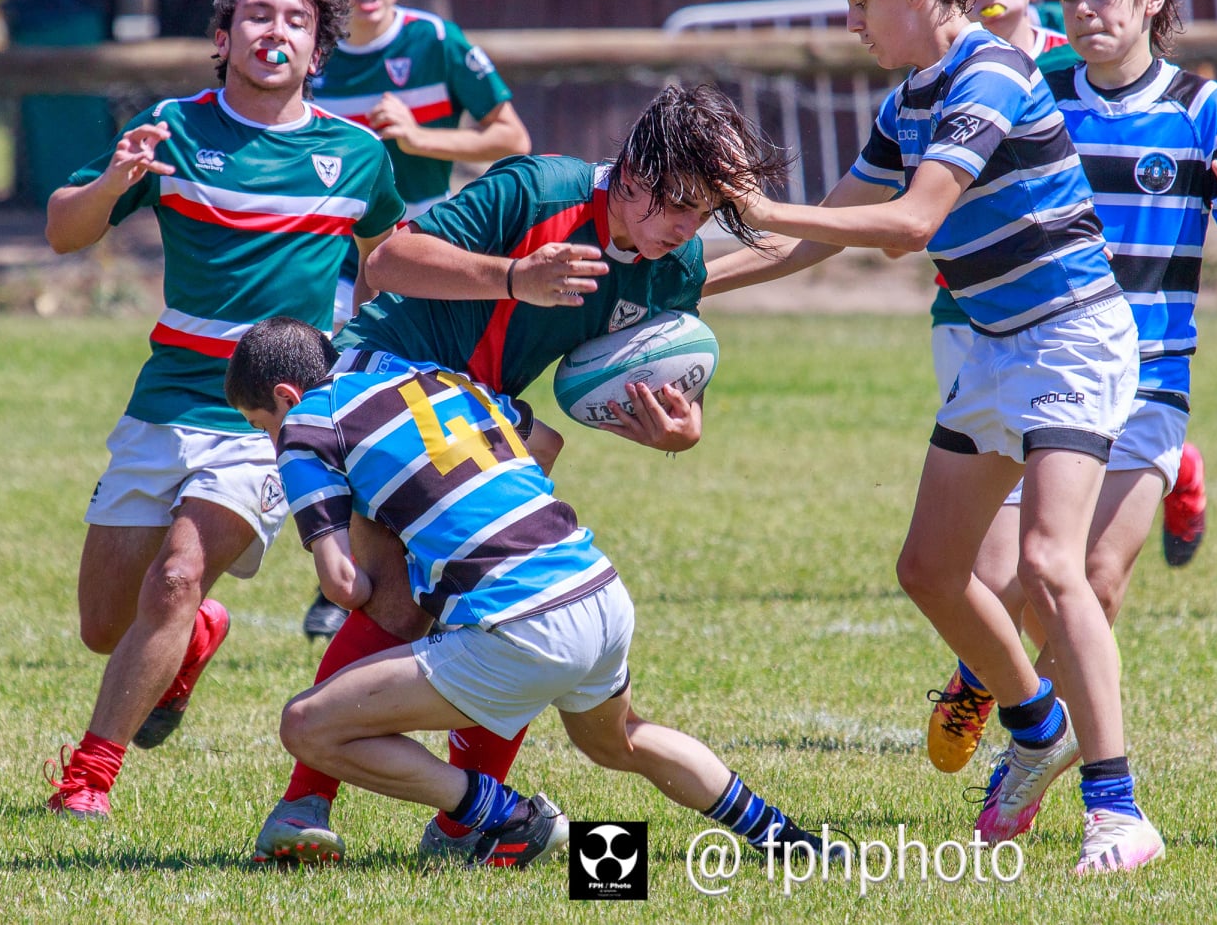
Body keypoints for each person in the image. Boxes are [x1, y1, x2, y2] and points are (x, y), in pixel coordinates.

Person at [707, 0, 1161, 874]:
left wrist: (762, 205)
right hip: (995, 347)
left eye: (858, 1)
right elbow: (822, 231)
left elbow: (909, 224)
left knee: (1050, 564)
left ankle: (1119, 811)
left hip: (1071, 337)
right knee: (928, 568)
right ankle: (1036, 725)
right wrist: (686, 284)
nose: (850, 22)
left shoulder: (988, 73)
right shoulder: (906, 99)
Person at [252, 82, 789, 864]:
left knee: (499, 597)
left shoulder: (670, 266)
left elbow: (666, 369)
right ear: (631, 172)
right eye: (675, 203)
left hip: (484, 406)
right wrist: (512, 276)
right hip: (393, 375)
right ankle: (319, 801)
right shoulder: (539, 189)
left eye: (701, 211)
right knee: (398, 595)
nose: (683, 227)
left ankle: (469, 821)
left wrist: (682, 428)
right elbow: (388, 260)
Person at [224, 318, 840, 868]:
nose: (273, 440)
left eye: (262, 426)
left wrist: (396, 553)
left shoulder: (306, 424)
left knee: (307, 726)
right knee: (619, 740)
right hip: (596, 591)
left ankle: (514, 819)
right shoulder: (432, 378)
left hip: (520, 625)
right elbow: (545, 444)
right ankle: (787, 840)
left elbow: (343, 584)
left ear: (286, 397)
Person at [921, 0, 1217, 787]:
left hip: (1149, 374)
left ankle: (1034, 761)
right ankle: (988, 672)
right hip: (1042, 360)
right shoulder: (1035, 90)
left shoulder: (1198, 107)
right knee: (998, 578)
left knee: (1089, 577)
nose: (1086, 11)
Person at [40, 0, 404, 819]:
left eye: (296, 21)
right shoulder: (172, 128)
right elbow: (61, 229)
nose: (274, 31)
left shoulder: (356, 155)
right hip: (166, 402)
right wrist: (114, 180)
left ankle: (88, 778)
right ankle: (197, 634)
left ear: (319, 50)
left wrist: (372, 358)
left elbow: (390, 259)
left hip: (272, 418)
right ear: (224, 34)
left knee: (176, 576)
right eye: (256, 15)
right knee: (104, 624)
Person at [304, 0, 533, 639]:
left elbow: (511, 137)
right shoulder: (310, 46)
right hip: (333, 262)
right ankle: (341, 570)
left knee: (418, 413)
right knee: (333, 410)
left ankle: (428, 566)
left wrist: (419, 138)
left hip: (424, 265)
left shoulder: (434, 41)